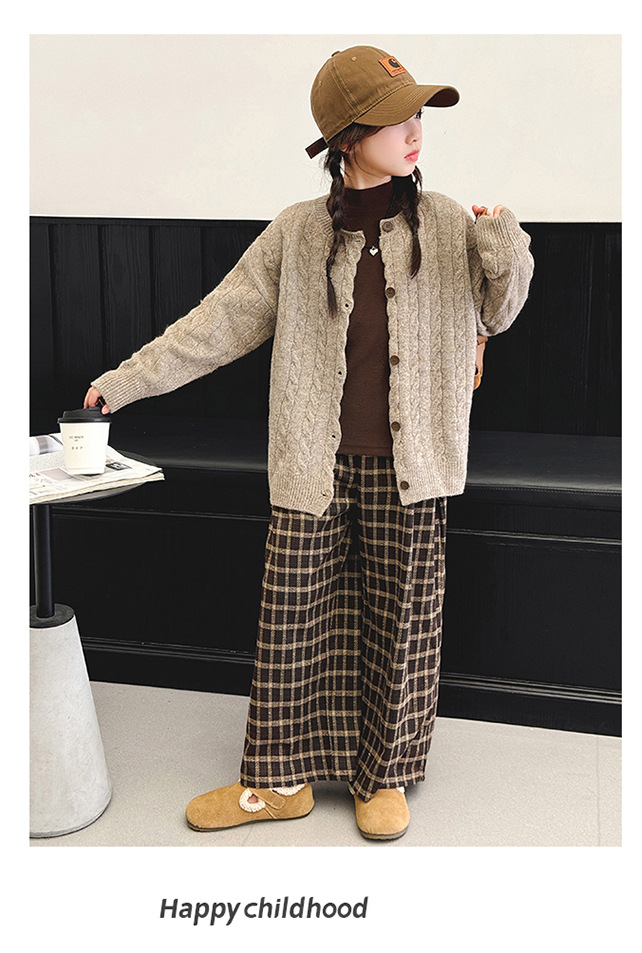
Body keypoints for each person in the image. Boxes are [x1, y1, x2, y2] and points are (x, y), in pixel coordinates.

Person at [84, 44, 534, 841]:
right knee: (292, 623)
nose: (415, 131)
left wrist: (505, 244)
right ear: (348, 136)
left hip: (412, 468)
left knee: (401, 623)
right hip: (311, 463)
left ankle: (382, 776)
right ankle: (277, 780)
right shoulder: (296, 233)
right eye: (395, 118)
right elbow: (217, 322)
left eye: (419, 115)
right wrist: (123, 382)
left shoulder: (447, 221)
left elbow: (499, 310)